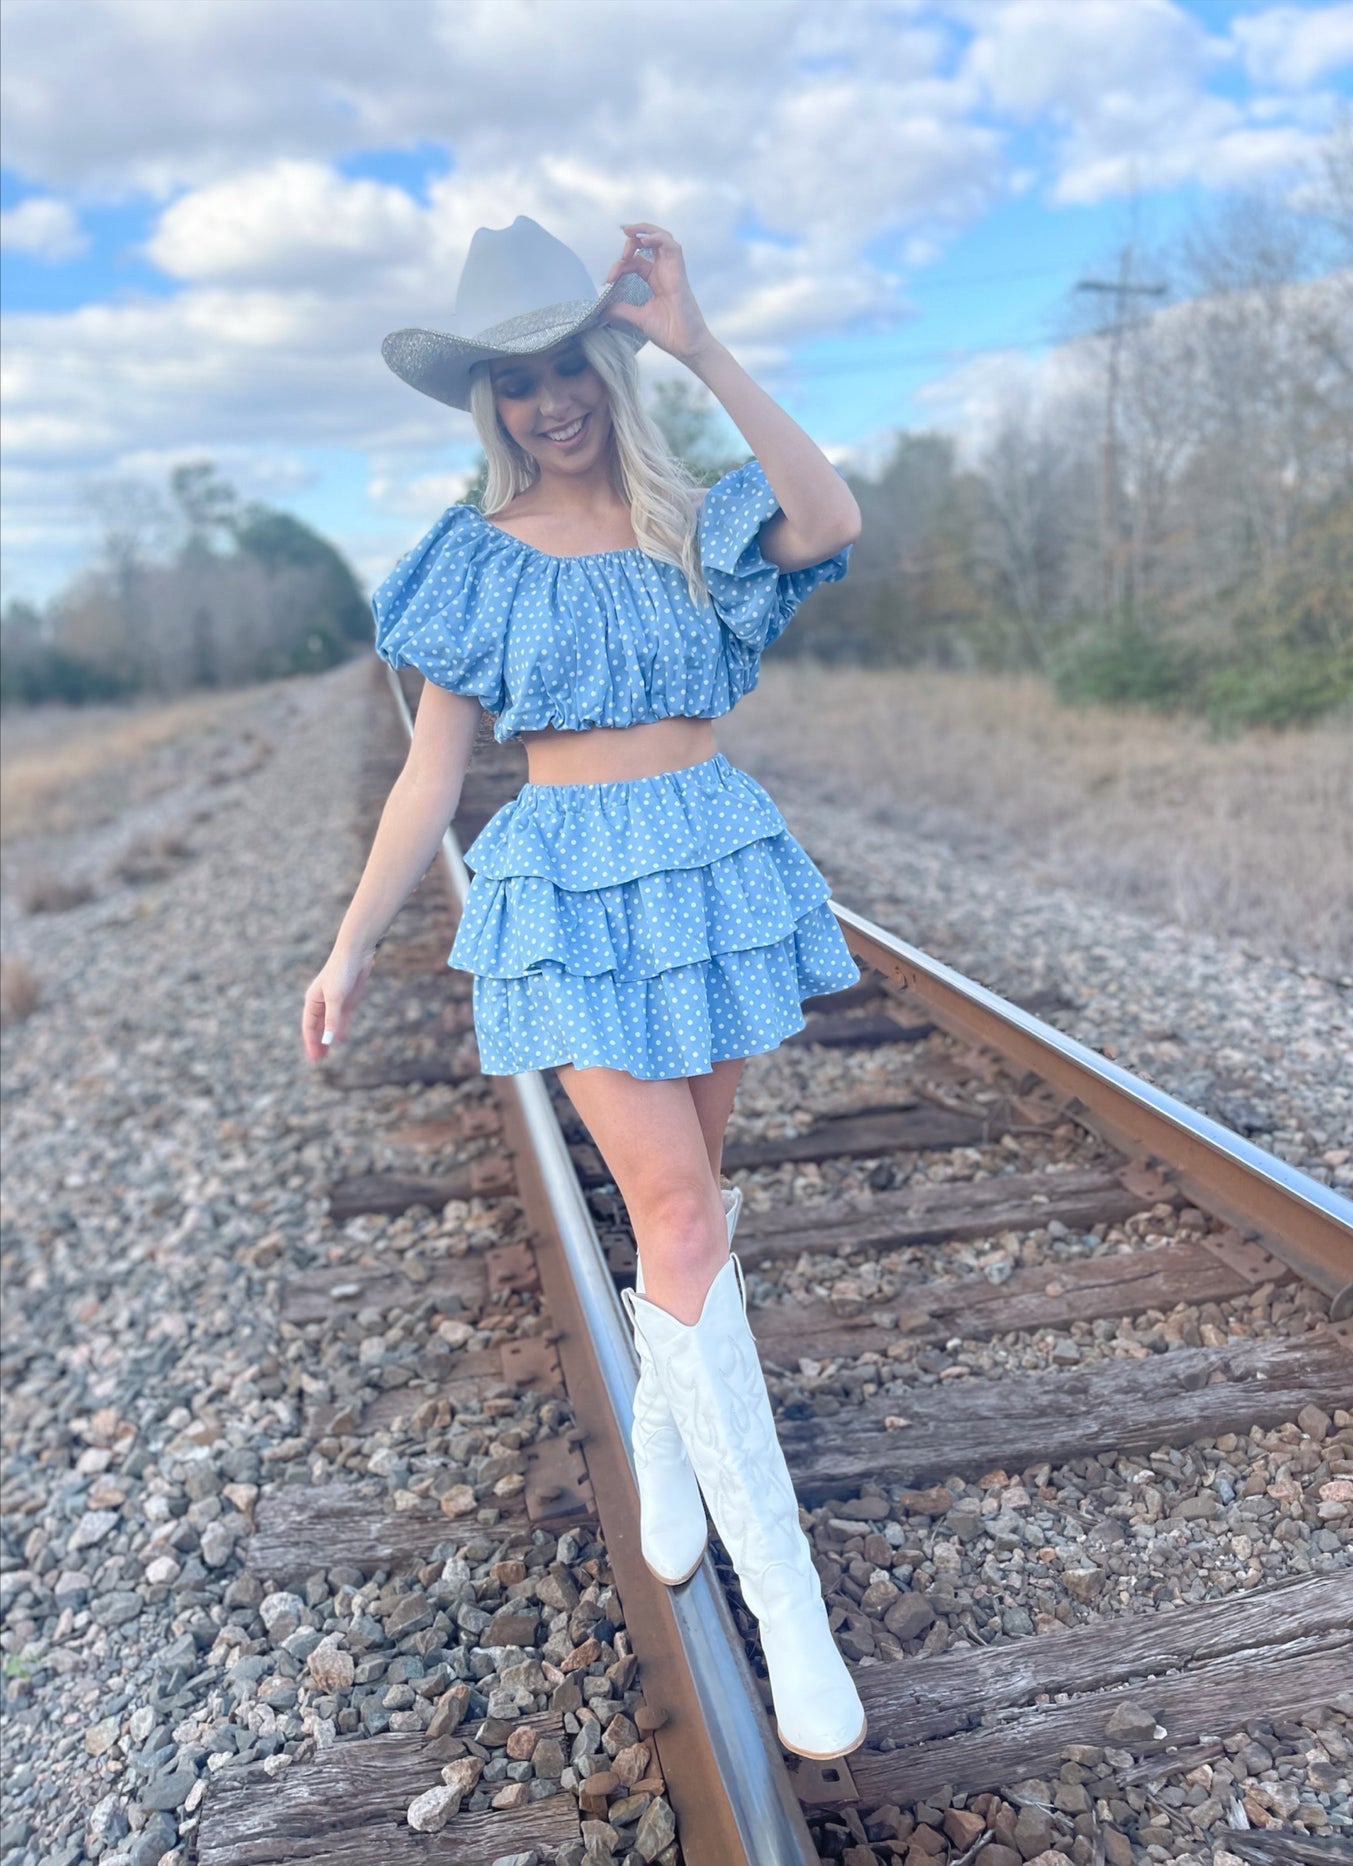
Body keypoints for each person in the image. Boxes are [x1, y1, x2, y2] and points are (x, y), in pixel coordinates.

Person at [301, 215, 866, 1762]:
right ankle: (792, 1613)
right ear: (488, 403)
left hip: (709, 858)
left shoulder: (692, 516)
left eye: (570, 367)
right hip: (568, 880)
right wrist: (350, 939)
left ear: (606, 369)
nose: (549, 401)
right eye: (518, 380)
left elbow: (827, 517)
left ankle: (671, 1446)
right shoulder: (473, 560)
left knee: (700, 1203)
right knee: (677, 1211)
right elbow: (435, 770)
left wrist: (701, 339)